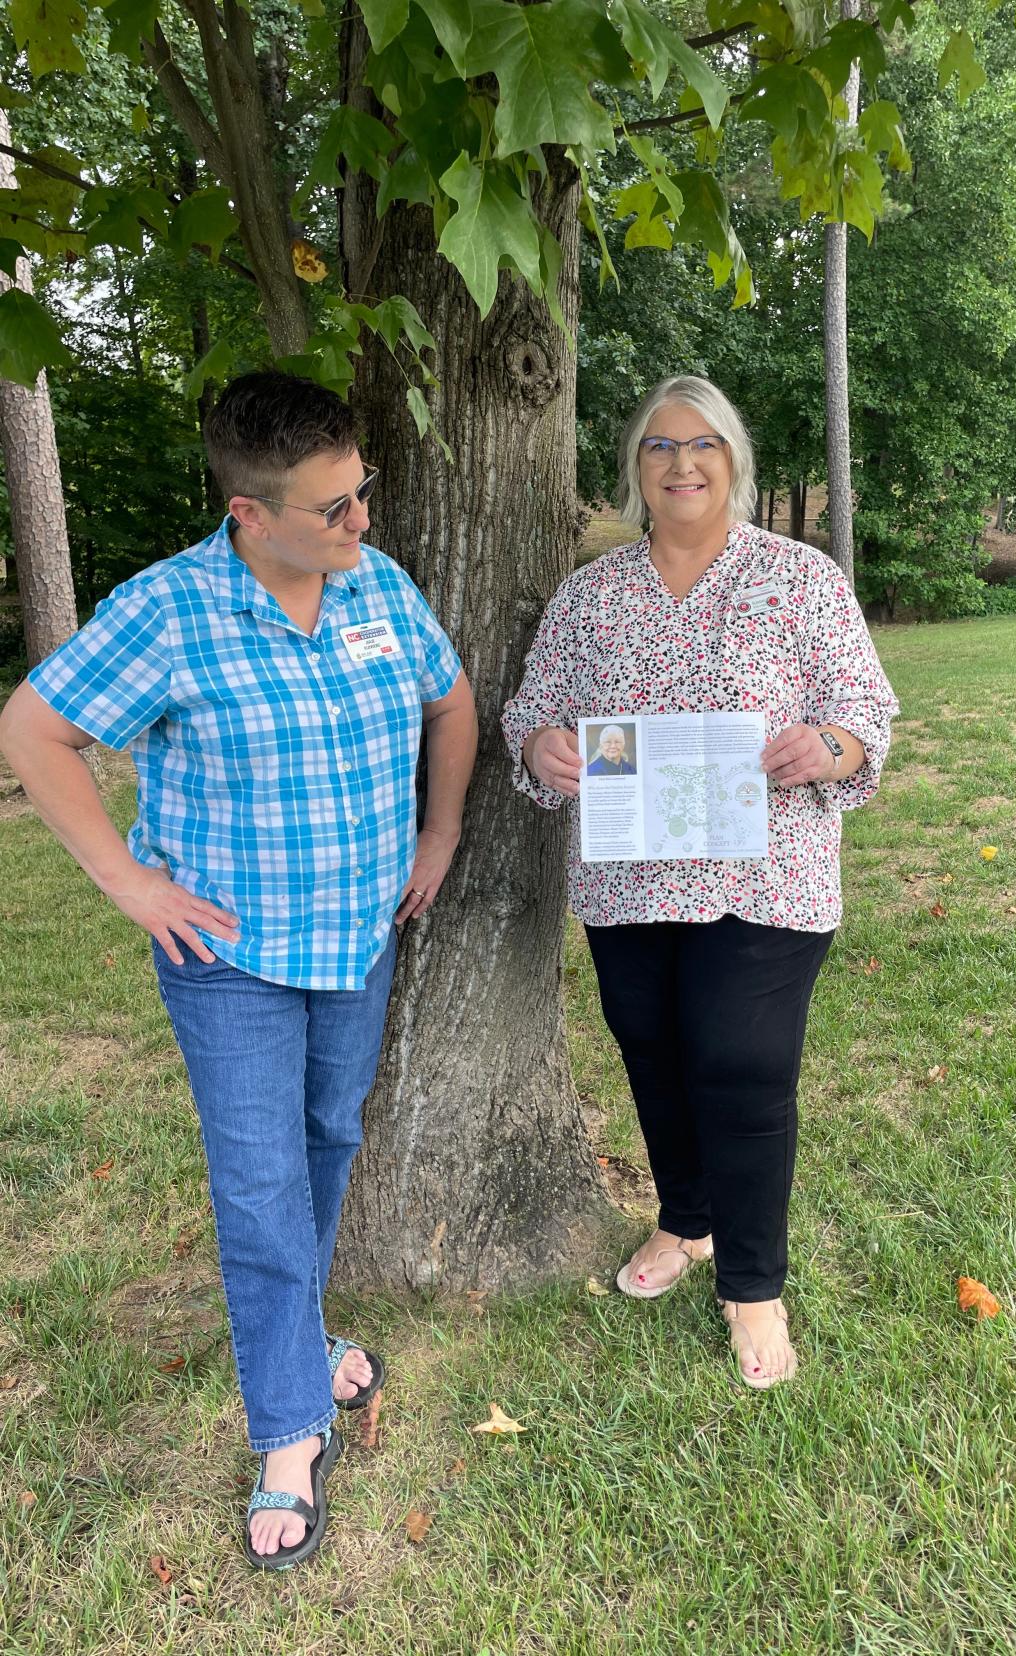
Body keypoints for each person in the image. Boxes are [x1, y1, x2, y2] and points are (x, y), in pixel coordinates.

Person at [0, 371, 477, 1566]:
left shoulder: (376, 584)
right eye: (334, 509)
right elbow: (33, 730)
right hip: (231, 957)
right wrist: (128, 881)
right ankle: (288, 1432)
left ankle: (300, 1342)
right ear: (249, 515)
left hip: (359, 939)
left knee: (326, 1140)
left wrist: (441, 830)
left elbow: (451, 697)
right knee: (259, 1186)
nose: (361, 523)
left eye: (362, 494)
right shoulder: (167, 613)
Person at [502, 376, 897, 1390]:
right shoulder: (591, 596)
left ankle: (754, 1286)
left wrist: (833, 745)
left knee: (741, 1063)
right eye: (660, 446)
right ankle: (687, 1220)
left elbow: (867, 713)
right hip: (629, 880)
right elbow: (530, 711)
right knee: (653, 1049)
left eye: (704, 444)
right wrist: (542, 746)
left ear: (735, 463)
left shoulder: (801, 580)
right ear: (635, 470)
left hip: (767, 876)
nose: (682, 463)